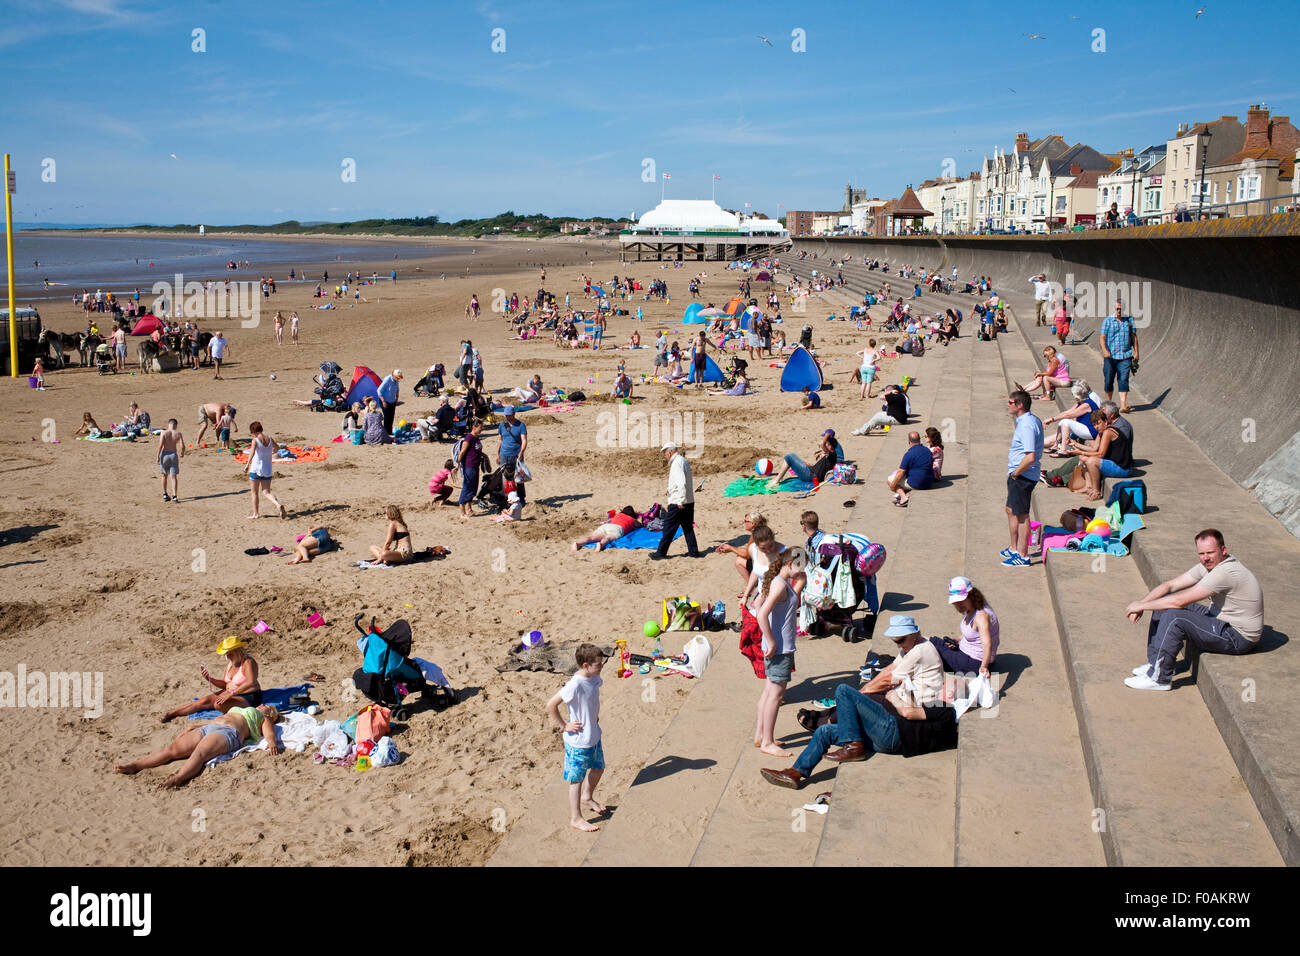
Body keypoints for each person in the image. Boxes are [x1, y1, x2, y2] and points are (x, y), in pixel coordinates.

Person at [759, 615, 955, 789]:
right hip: (887, 729)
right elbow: (890, 670)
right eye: (896, 640)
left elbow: (894, 686)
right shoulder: (909, 647)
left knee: (844, 691)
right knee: (825, 731)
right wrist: (864, 691)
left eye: (901, 640)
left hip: (894, 730)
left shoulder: (920, 652)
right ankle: (796, 773)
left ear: (915, 634)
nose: (898, 644)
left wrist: (874, 694)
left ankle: (854, 747)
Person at [1124, 529, 1263, 691]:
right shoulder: (1210, 565)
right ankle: (1155, 664)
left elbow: (1179, 601)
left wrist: (1141, 606)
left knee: (1174, 616)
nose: (1206, 558)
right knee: (1164, 601)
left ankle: (1159, 679)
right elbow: (1170, 586)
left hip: (1237, 637)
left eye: (1211, 552)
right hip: (1219, 620)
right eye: (1202, 553)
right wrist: (1143, 603)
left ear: (1223, 551)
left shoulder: (1225, 573)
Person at [116, 704, 280, 787]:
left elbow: (269, 732)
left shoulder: (262, 717)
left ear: (269, 714)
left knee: (199, 754)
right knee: (171, 750)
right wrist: (196, 726)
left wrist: (271, 741)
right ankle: (135, 766)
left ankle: (177, 778)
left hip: (228, 732)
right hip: (210, 726)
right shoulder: (242, 709)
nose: (264, 705)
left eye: (268, 708)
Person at [545, 643, 609, 832]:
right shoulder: (574, 684)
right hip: (578, 742)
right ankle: (576, 818)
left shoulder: (595, 677)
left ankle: (587, 797)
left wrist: (593, 715)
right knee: (576, 780)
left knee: (599, 768)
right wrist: (564, 725)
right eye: (598, 664)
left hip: (594, 735)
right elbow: (551, 705)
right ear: (585, 666)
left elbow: (591, 699)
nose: (602, 666)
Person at [754, 546, 806, 757]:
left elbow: (757, 603)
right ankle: (767, 741)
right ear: (789, 564)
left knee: (768, 692)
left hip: (776, 647)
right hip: (780, 649)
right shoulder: (780, 586)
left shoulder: (776, 580)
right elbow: (761, 614)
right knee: (776, 694)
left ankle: (760, 735)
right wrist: (772, 640)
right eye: (801, 566)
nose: (804, 570)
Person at [160, 636, 264, 721]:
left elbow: (251, 682)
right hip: (230, 693)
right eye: (226, 655)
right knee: (203, 701)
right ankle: (171, 713)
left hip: (249, 696)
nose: (228, 657)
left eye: (230, 654)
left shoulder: (248, 662)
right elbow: (224, 684)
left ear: (237, 651)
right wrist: (210, 679)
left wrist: (231, 693)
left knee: (218, 705)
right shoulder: (230, 664)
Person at [1002, 390, 1043, 566]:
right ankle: (1013, 548)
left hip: (1022, 475)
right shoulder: (1030, 420)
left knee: (1021, 515)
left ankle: (1023, 555)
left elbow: (1030, 456)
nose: (1008, 404)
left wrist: (1016, 473)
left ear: (1020, 405)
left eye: (1011, 402)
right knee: (1011, 510)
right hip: (1020, 474)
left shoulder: (1026, 425)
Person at [933, 577, 999, 677]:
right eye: (955, 601)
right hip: (965, 653)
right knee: (932, 641)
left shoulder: (981, 616)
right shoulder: (975, 606)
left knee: (929, 648)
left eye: (961, 600)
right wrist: (959, 639)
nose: (958, 604)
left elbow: (987, 644)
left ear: (971, 595)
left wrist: (984, 667)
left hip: (973, 663)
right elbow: (976, 635)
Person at [1072, 401, 1135, 500]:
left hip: (1123, 468)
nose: (1096, 427)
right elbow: (1094, 449)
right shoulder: (1101, 432)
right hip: (1113, 463)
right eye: (1094, 425)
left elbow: (1101, 454)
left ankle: (1096, 492)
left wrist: (1080, 452)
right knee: (1083, 458)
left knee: (1092, 461)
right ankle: (1089, 487)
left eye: (1098, 423)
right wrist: (1076, 445)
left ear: (1106, 421)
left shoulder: (1108, 432)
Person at [651, 442, 700, 559]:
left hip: (678, 503)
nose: (665, 456)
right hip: (688, 501)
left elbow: (681, 482)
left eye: (665, 453)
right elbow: (681, 482)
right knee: (687, 527)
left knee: (669, 527)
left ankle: (660, 553)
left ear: (670, 452)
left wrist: (680, 500)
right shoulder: (682, 461)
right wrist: (670, 490)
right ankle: (693, 552)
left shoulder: (677, 463)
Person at [243, 421, 287, 519]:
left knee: (254, 492)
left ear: (253, 431)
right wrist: (271, 453)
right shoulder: (270, 438)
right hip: (267, 468)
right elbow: (277, 448)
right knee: (266, 492)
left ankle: (256, 514)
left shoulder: (255, 440)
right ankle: (277, 504)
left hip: (256, 468)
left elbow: (252, 453)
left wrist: (247, 465)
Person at [1043, 381, 1100, 454]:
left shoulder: (1087, 404)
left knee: (1065, 421)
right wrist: (1052, 419)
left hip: (1091, 431)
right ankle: (1055, 445)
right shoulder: (1080, 403)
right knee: (1062, 421)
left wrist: (1052, 420)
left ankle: (1063, 450)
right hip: (1086, 428)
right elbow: (1067, 412)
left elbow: (1069, 415)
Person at [1100, 302, 1138, 412]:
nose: (1119, 311)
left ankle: (1123, 405)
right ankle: (1109, 405)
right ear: (1114, 308)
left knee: (1123, 379)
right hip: (1110, 356)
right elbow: (1102, 337)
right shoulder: (1107, 321)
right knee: (1108, 380)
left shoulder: (1129, 320)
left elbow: (1134, 337)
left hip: (1125, 356)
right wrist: (1105, 351)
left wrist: (1136, 352)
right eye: (1117, 309)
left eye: (1120, 309)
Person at [715, 512, 768, 584]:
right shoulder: (762, 530)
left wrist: (731, 549)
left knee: (738, 561)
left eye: (746, 521)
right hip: (767, 562)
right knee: (740, 555)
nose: (744, 523)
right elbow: (748, 551)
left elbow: (746, 555)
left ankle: (750, 586)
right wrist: (730, 549)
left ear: (753, 524)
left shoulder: (755, 535)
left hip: (764, 567)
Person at [772, 431, 838, 486]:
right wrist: (810, 465)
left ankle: (776, 480)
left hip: (810, 476)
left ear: (830, 446)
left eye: (827, 444)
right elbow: (822, 468)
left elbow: (822, 444)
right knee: (798, 460)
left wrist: (827, 434)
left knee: (790, 456)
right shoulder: (832, 455)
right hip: (812, 473)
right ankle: (780, 477)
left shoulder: (831, 454)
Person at [887, 431, 934, 507]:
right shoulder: (928, 450)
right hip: (929, 482)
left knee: (890, 479)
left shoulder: (909, 454)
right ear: (919, 440)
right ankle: (904, 494)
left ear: (909, 442)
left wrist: (892, 486)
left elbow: (901, 472)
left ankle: (903, 497)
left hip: (917, 484)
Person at [497, 407, 528, 506]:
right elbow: (500, 440)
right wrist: (497, 454)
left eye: (509, 415)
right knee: (506, 479)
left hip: (516, 455)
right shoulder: (502, 425)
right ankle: (508, 499)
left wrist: (521, 452)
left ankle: (521, 499)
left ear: (513, 413)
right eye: (506, 415)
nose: (507, 417)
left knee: (519, 478)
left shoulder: (521, 425)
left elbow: (524, 441)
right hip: (504, 455)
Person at [571, 506, 640, 551]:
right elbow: (639, 526)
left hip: (606, 526)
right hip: (617, 528)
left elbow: (609, 520)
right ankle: (600, 544)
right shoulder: (632, 519)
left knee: (592, 538)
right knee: (608, 538)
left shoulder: (618, 515)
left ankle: (577, 543)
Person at [458, 420, 487, 518]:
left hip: (475, 466)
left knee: (473, 488)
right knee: (466, 487)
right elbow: (462, 452)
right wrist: (457, 465)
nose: (481, 429)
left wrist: (484, 455)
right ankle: (462, 512)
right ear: (474, 427)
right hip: (469, 466)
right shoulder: (469, 438)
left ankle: (469, 509)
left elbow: (476, 450)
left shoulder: (476, 437)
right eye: (480, 427)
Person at [157, 418, 185, 502]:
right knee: (173, 477)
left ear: (168, 425)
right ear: (175, 425)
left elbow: (160, 445)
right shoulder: (178, 433)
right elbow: (182, 446)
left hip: (165, 454)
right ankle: (174, 496)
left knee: (164, 475)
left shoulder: (163, 432)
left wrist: (157, 456)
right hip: (173, 454)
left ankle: (165, 494)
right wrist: (182, 453)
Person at [378, 369, 402, 438]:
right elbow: (379, 391)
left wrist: (397, 399)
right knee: (387, 418)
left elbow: (397, 389)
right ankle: (386, 434)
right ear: (394, 376)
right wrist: (383, 401)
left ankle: (390, 432)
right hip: (384, 401)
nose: (398, 379)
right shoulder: (387, 380)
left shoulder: (396, 381)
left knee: (391, 417)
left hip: (392, 401)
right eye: (398, 377)